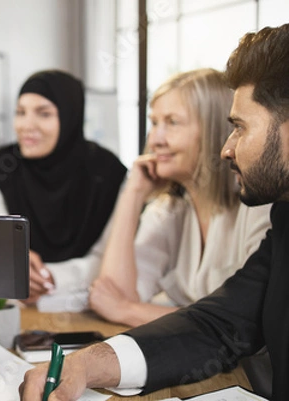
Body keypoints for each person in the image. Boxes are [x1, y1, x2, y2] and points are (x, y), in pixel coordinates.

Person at [20, 22, 289, 401]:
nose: (227, 148)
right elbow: (219, 325)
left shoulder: (264, 209)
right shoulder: (281, 220)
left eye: (240, 128)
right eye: (153, 123)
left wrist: (127, 308)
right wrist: (81, 364)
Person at [89, 68, 271, 327]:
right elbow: (113, 292)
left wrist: (128, 311)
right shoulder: (169, 209)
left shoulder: (258, 205)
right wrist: (133, 193)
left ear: (214, 130)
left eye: (172, 123)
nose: (155, 140)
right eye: (154, 123)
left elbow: (241, 320)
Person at [0, 70, 126, 305]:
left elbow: (111, 257)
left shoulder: (108, 172)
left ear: (70, 117)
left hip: (87, 302)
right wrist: (15, 263)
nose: (26, 125)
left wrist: (50, 277)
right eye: (20, 112)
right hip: (16, 303)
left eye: (44, 114)